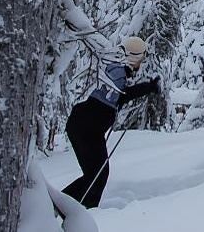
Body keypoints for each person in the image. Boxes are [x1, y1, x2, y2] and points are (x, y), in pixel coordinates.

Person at [61, 36, 160, 208]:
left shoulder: (118, 72)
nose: (140, 65)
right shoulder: (117, 71)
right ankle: (71, 208)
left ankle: (69, 208)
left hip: (87, 127)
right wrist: (147, 87)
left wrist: (147, 87)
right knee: (98, 175)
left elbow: (120, 96)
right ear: (134, 57)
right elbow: (120, 95)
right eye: (140, 59)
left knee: (96, 174)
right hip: (86, 129)